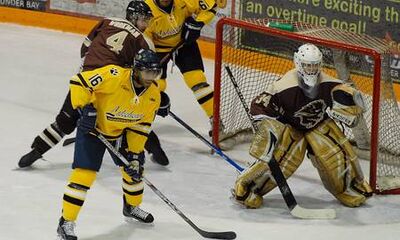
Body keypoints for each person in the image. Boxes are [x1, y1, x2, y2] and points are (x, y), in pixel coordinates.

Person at [18, 0, 170, 168]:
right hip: (113, 85)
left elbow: (85, 48)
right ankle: (156, 150)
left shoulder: (107, 21)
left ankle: (36, 150)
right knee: (129, 117)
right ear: (133, 17)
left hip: (86, 79)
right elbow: (141, 71)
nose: (146, 24)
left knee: (66, 119)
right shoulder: (144, 41)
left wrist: (90, 67)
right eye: (144, 20)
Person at [232, 43, 373, 209]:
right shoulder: (283, 86)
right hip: (290, 128)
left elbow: (350, 111)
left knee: (337, 155)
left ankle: (349, 188)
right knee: (280, 162)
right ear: (298, 63)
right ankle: (248, 188)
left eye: (315, 65)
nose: (311, 69)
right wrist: (267, 129)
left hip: (319, 125)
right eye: (307, 65)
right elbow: (259, 106)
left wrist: (350, 106)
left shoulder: (330, 84)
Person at [57, 49, 164, 240]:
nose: (152, 77)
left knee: (135, 170)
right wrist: (85, 108)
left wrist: (134, 154)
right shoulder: (114, 75)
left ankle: (131, 207)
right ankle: (66, 222)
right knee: (84, 175)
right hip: (92, 130)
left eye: (155, 73)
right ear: (137, 69)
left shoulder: (154, 95)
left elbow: (141, 125)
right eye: (148, 72)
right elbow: (79, 81)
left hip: (120, 133)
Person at [143, 0, 233, 144]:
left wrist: (198, 24)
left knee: (197, 81)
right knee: (155, 86)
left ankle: (216, 123)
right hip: (157, 50)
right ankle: (141, 121)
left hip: (185, 44)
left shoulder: (184, 1)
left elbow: (214, 6)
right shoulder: (147, 10)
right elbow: (144, 40)